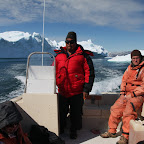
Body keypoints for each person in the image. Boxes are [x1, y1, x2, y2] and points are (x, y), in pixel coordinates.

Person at [54, 31, 95, 139]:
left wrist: (86, 89)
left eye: (71, 42)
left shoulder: (83, 56)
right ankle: (61, 128)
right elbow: (52, 71)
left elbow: (89, 73)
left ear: (76, 42)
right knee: (61, 112)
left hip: (77, 91)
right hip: (62, 91)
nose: (69, 44)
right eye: (67, 42)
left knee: (76, 114)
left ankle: (73, 130)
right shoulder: (58, 56)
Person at [100, 50, 144, 144]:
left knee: (128, 111)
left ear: (140, 58)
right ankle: (112, 131)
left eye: (137, 58)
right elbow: (124, 80)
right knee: (115, 108)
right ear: (131, 59)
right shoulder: (129, 68)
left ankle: (125, 136)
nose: (135, 60)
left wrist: (132, 94)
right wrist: (122, 93)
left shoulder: (143, 69)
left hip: (138, 95)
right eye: (133, 58)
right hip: (127, 94)